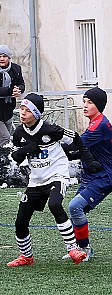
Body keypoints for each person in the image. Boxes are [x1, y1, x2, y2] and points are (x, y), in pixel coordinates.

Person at [6, 93, 100, 267]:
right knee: (20, 221)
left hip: (57, 175)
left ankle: (73, 249)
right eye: (22, 109)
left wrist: (88, 160)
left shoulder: (51, 129)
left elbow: (76, 139)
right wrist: (26, 150)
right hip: (36, 180)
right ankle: (26, 256)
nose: (22, 113)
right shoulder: (19, 132)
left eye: (27, 110)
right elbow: (16, 157)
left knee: (55, 205)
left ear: (36, 113)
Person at [65, 87, 112, 262]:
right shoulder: (95, 123)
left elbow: (76, 145)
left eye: (89, 102)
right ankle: (81, 248)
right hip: (92, 175)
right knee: (77, 210)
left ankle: (84, 248)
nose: (84, 105)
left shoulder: (98, 126)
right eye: (84, 101)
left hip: (104, 177)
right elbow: (83, 150)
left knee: (75, 207)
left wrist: (49, 143)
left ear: (99, 105)